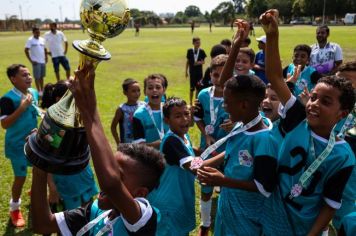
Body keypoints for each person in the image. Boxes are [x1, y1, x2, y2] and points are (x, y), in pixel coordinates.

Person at [31, 63, 166, 235]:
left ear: (139, 193)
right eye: (110, 167)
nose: (105, 175)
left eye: (118, 174)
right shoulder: (97, 211)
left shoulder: (144, 217)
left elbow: (110, 184)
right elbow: (42, 224)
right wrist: (40, 167)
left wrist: (89, 111)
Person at [261, 9, 355, 235]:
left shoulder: (343, 156)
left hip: (305, 227)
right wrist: (272, 37)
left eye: (326, 101)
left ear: (342, 113)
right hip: (273, 216)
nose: (313, 104)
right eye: (313, 97)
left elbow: (330, 205)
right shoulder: (297, 118)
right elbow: (275, 77)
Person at [196, 20, 282, 236]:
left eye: (227, 103)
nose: (224, 106)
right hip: (229, 208)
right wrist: (203, 163)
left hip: (248, 218)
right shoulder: (244, 125)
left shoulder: (264, 138)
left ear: (243, 104)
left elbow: (264, 186)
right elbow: (231, 151)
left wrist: (221, 180)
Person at [41, 81, 99, 211]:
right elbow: (47, 157)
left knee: (89, 212)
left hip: (83, 176)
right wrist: (52, 187)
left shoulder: (80, 117)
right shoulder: (54, 122)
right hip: (66, 182)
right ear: (59, 99)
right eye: (74, 94)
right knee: (70, 222)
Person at [148, 97, 197, 235]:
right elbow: (194, 167)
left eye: (186, 114)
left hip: (181, 198)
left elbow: (191, 150)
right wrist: (224, 154)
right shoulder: (171, 141)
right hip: (169, 203)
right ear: (167, 120)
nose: (184, 119)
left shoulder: (183, 136)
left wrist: (209, 151)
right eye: (178, 116)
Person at [0, 64, 40, 227]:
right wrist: (22, 107)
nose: (29, 77)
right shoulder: (7, 99)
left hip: (34, 142)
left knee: (39, 171)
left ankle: (35, 194)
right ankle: (14, 207)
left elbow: (36, 112)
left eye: (29, 74)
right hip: (17, 146)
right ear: (13, 79)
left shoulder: (34, 92)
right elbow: (5, 124)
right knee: (21, 176)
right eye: (24, 75)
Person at [194, 54, 230, 235]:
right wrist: (205, 134)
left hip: (230, 151)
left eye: (224, 75)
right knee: (206, 187)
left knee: (227, 188)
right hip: (207, 150)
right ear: (210, 76)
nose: (219, 79)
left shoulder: (234, 95)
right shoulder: (202, 94)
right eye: (216, 75)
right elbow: (198, 117)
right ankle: (205, 224)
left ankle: (225, 219)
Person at [132, 74, 169, 149]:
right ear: (145, 92)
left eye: (158, 87)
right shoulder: (139, 115)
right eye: (150, 88)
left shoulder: (170, 109)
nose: (154, 90)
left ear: (164, 90)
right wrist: (161, 143)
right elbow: (139, 147)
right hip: (150, 159)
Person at [111, 78, 144, 147]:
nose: (137, 93)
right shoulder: (121, 109)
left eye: (138, 90)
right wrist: (118, 143)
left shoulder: (143, 106)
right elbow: (113, 127)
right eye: (133, 91)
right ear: (125, 92)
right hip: (127, 146)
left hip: (142, 145)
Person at [25, 27, 47, 95]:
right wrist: (31, 60)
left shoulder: (42, 39)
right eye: (37, 32)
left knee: (42, 76)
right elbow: (26, 50)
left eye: (39, 32)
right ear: (33, 32)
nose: (38, 33)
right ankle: (39, 91)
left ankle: (42, 90)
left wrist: (46, 57)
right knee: (37, 77)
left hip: (42, 61)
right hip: (36, 62)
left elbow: (45, 49)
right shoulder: (30, 40)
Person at [185, 37, 207, 105]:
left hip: (199, 73)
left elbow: (203, 61)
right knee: (191, 88)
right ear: (193, 43)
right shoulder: (189, 51)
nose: (198, 44)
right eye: (197, 43)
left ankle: (196, 101)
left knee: (198, 87)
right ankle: (191, 102)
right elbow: (188, 61)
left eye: (199, 42)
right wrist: (186, 71)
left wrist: (198, 63)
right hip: (192, 72)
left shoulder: (202, 51)